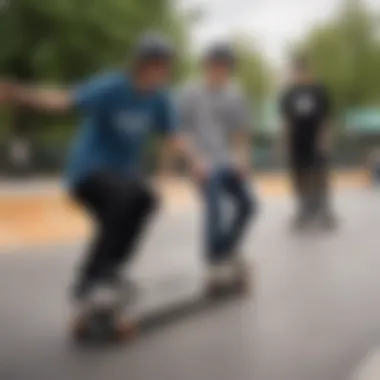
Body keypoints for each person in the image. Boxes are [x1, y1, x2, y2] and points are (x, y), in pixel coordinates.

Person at [0, 32, 185, 302]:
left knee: (146, 200)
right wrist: (18, 94)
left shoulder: (160, 99)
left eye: (165, 67)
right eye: (156, 66)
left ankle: (110, 271)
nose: (160, 73)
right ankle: (90, 280)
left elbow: (173, 137)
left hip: (122, 178)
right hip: (88, 173)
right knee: (123, 201)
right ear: (141, 64)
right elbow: (64, 101)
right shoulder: (111, 87)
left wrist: (199, 164)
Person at [178, 43, 257, 290]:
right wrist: (194, 160)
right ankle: (214, 264)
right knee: (215, 208)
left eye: (224, 67)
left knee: (248, 204)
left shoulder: (236, 94)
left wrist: (243, 158)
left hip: (227, 161)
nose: (219, 71)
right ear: (206, 65)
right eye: (215, 66)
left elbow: (241, 132)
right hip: (201, 162)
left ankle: (228, 251)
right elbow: (180, 131)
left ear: (230, 69)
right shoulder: (190, 93)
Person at [279, 55, 336, 229]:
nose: (297, 75)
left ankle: (324, 211)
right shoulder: (288, 94)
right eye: (295, 71)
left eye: (300, 71)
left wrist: (325, 140)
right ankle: (303, 211)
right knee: (300, 177)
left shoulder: (319, 90)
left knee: (320, 176)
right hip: (297, 142)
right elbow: (285, 122)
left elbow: (327, 118)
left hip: (316, 140)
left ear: (307, 70)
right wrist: (284, 143)